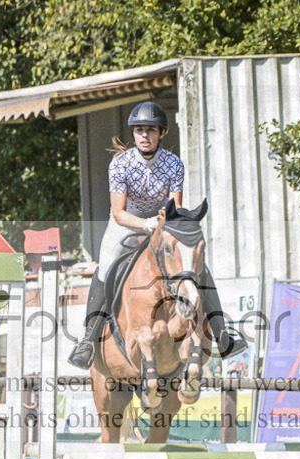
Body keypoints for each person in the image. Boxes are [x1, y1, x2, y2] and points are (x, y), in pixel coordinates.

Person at [67, 101, 248, 369]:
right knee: (105, 267)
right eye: (139, 130)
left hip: (162, 223)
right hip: (126, 223)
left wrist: (161, 223)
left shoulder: (174, 164)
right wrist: (145, 224)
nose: (144, 136)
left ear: (162, 133)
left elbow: (173, 207)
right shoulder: (120, 164)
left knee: (197, 268)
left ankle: (222, 333)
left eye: (150, 130)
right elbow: (119, 212)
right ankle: (88, 339)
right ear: (134, 133)